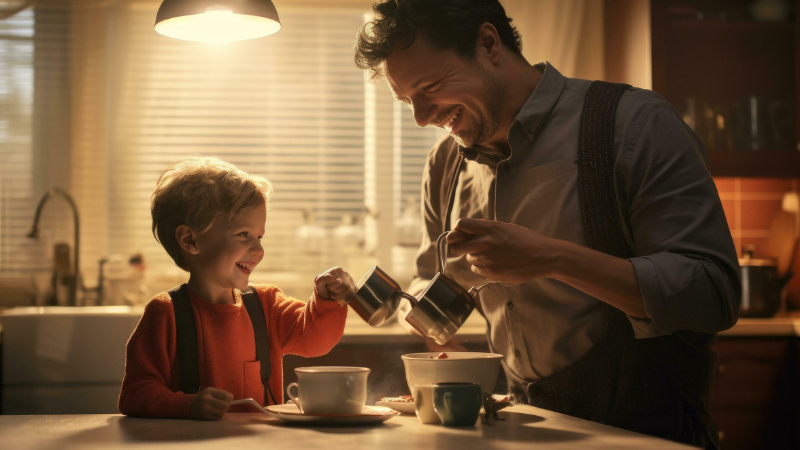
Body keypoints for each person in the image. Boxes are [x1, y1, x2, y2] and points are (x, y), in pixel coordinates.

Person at [354, 1, 740, 448]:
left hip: (652, 436)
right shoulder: (445, 165)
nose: (422, 118)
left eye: (430, 87)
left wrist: (553, 258)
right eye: (407, 101)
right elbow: (435, 276)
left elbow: (713, 293)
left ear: (488, 44)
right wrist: (424, 318)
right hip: (525, 432)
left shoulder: (635, 124)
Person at [118, 156, 352, 420]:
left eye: (259, 236)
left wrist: (326, 300)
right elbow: (135, 394)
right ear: (190, 240)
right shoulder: (165, 314)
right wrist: (187, 405)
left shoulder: (267, 303)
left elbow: (315, 341)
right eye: (243, 234)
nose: (259, 249)